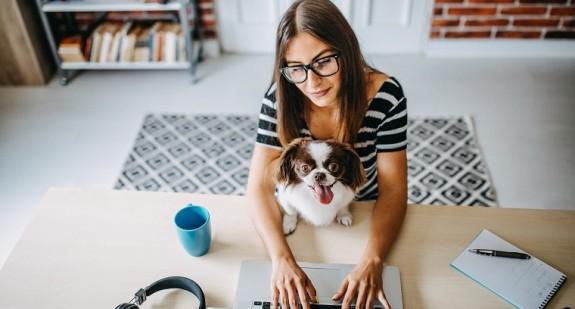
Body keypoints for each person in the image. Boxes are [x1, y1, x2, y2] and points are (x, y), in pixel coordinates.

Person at [246, 1, 408, 308]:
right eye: (297, 68)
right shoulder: (280, 98)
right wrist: (280, 259)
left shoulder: (387, 96)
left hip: (362, 208)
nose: (312, 83)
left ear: (346, 50)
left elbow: (394, 189)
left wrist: (373, 260)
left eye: (323, 62)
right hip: (300, 211)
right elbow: (258, 186)